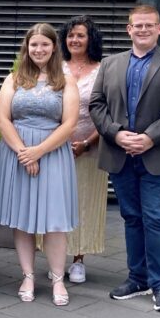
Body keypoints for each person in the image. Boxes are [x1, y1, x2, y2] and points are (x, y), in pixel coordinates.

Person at [90, 5, 160, 313]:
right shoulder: (110, 64)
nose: (143, 30)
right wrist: (116, 133)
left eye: (149, 25)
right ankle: (137, 278)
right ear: (128, 29)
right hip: (120, 153)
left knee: (157, 220)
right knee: (132, 218)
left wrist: (150, 137)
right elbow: (97, 104)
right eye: (137, 25)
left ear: (159, 28)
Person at [0, 24, 79, 306]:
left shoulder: (66, 80)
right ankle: (27, 275)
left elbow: (70, 123)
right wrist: (23, 152)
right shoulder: (13, 78)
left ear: (54, 48)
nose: (39, 49)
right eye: (34, 45)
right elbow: (2, 119)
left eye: (44, 45)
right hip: (17, 153)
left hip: (52, 154)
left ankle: (57, 278)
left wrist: (38, 152)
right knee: (22, 218)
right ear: (27, 48)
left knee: (54, 221)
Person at [56, 16, 107, 284]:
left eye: (81, 35)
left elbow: (109, 113)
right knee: (55, 202)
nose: (75, 40)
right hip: (55, 147)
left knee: (84, 203)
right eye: (71, 35)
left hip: (90, 147)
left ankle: (78, 260)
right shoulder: (55, 67)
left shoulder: (103, 70)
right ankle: (55, 256)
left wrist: (88, 141)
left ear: (91, 39)